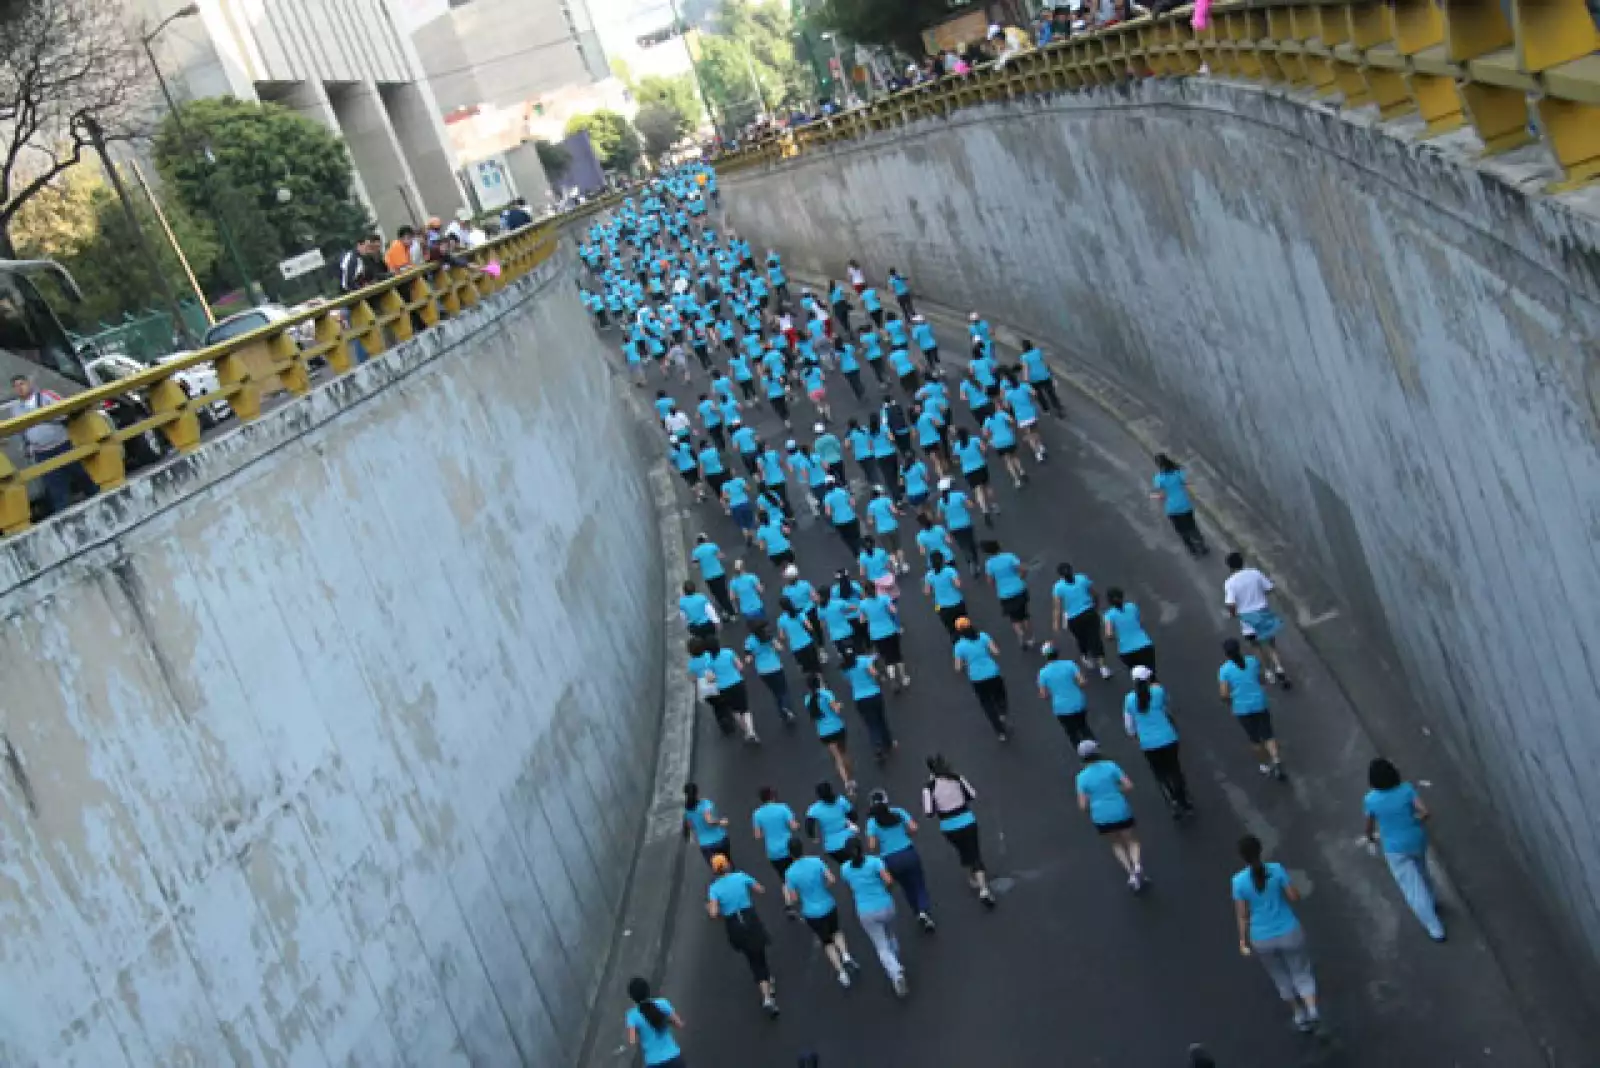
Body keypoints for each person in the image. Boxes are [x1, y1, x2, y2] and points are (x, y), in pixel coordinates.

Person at [1234, 835, 1320, 1032]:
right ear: (1260, 850)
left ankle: (1299, 1015)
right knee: (1301, 971)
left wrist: (1242, 941)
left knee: (1279, 976)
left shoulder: (1238, 882)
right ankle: (1312, 1009)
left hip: (1261, 938)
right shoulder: (1276, 870)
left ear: (1242, 857)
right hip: (1289, 930)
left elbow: (1243, 914)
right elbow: (1294, 897)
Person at [1364, 757, 1446, 941]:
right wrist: (1414, 820)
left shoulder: (1371, 800)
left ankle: (1435, 928)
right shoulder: (1406, 790)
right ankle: (1434, 900)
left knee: (1412, 888)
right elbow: (1425, 812)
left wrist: (1370, 838)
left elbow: (1369, 825)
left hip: (1394, 847)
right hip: (1416, 839)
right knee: (1423, 871)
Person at [9, 374, 97, 516]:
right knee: (54, 486)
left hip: (61, 444)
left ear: (29, 383)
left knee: (80, 475)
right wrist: (26, 447)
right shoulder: (16, 409)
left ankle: (95, 494)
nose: (20, 388)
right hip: (41, 452)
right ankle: (63, 516)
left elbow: (66, 410)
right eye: (16, 386)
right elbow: (20, 431)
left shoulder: (46, 396)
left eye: (22, 384)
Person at [705, 853, 779, 1016]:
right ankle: (767, 994)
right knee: (759, 953)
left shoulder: (714, 889)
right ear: (727, 865)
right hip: (749, 918)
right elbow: (760, 889)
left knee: (752, 958)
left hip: (734, 925)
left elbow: (713, 913)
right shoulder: (740, 876)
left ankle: (766, 983)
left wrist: (712, 908)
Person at [782, 839, 861, 988]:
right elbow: (831, 879)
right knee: (836, 931)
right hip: (828, 904)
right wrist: (824, 887)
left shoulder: (790, 873)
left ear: (790, 853)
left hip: (811, 912)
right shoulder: (816, 861)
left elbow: (793, 898)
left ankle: (842, 973)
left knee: (827, 942)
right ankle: (846, 954)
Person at [837, 837, 909, 996]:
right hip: (885, 905)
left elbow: (850, 887)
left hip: (865, 911)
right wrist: (886, 891)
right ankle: (896, 961)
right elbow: (889, 881)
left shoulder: (845, 869)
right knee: (891, 934)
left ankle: (896, 972)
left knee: (881, 946)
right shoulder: (875, 862)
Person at [922, 755, 996, 906]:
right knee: (974, 852)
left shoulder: (929, 788)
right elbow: (972, 795)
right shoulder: (957, 778)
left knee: (963, 850)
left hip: (949, 827)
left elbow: (929, 812)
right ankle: (983, 888)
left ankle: (971, 877)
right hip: (967, 820)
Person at [1124, 666, 1193, 817]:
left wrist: (1135, 737)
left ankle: (1172, 801)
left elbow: (1129, 725)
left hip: (1148, 743)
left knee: (1160, 774)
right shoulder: (1158, 691)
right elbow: (1168, 707)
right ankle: (1184, 799)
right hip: (1168, 737)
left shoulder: (1129, 699)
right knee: (1175, 769)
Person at [1075, 739, 1144, 890]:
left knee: (1116, 844)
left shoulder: (1081, 778)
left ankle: (1131, 874)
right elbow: (1128, 785)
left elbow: (1082, 806)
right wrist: (1115, 790)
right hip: (1120, 809)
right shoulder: (1111, 766)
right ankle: (1137, 865)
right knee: (1132, 840)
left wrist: (1093, 804)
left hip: (1101, 816)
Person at [866, 789, 935, 931]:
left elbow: (872, 847)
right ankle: (923, 910)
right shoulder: (897, 812)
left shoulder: (872, 822)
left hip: (890, 859)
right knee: (918, 883)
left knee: (906, 886)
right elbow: (914, 828)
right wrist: (906, 834)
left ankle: (917, 911)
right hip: (908, 852)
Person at [1219, 638, 1285, 780]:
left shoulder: (1224, 670)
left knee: (1255, 739)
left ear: (1226, 654)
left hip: (1242, 709)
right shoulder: (1251, 661)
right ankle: (1276, 760)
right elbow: (1260, 679)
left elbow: (1224, 694)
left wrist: (1231, 702)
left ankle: (1263, 765)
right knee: (1268, 734)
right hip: (1259, 703)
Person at [1224, 552, 1292, 686]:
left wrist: (1233, 614)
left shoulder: (1230, 583)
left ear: (1230, 567)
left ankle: (1268, 672)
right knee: (1271, 644)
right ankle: (1279, 667)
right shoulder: (1255, 573)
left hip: (1247, 620)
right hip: (1263, 615)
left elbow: (1230, 603)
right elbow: (1269, 588)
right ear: (1242, 562)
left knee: (1256, 647)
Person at [1051, 563, 1113, 678]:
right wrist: (1095, 607)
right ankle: (1103, 667)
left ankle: (1085, 655)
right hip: (1089, 612)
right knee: (1095, 639)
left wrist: (1056, 624)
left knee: (1082, 639)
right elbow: (1094, 594)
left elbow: (1057, 608)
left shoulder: (1058, 587)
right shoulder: (1082, 578)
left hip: (1074, 619)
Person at [953, 617, 1010, 740]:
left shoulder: (959, 646)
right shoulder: (983, 636)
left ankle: (1000, 732)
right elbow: (996, 652)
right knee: (1000, 695)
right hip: (993, 672)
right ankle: (1002, 712)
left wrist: (966, 663)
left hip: (977, 678)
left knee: (987, 704)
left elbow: (958, 668)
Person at [839, 646, 896, 764]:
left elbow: (849, 682)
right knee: (881, 719)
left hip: (859, 698)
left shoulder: (845, 668)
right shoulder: (863, 660)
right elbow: (874, 673)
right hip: (874, 694)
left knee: (871, 724)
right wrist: (881, 679)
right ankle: (888, 743)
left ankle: (877, 746)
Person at [752, 786, 801, 914]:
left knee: (784, 877)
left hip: (773, 852)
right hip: (789, 847)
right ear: (773, 796)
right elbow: (793, 826)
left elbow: (758, 835)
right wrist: (796, 825)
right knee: (796, 870)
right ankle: (798, 892)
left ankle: (789, 903)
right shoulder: (783, 808)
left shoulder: (757, 814)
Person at [804, 674, 855, 792]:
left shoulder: (807, 699)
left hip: (823, 732)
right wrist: (839, 705)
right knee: (844, 753)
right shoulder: (827, 694)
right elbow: (836, 710)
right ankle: (851, 777)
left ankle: (846, 782)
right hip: (837, 727)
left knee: (837, 757)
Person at [1151, 453, 1208, 556]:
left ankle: (1193, 551)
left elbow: (1162, 495)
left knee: (1182, 531)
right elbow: (1186, 482)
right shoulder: (1178, 473)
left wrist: (1153, 496)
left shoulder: (1158, 479)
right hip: (1184, 505)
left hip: (1172, 509)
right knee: (1192, 527)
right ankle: (1202, 547)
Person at [1038, 642, 1093, 746]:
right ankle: (1094, 747)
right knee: (1083, 726)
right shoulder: (1070, 664)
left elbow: (1044, 694)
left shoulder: (1043, 673)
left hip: (1061, 708)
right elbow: (1082, 682)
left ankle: (1081, 752)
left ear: (1045, 656)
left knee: (1072, 733)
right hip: (1078, 702)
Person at [982, 539, 1034, 648]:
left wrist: (997, 586)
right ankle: (1030, 638)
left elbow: (990, 581)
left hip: (1005, 594)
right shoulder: (1010, 557)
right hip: (1019, 589)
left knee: (1014, 618)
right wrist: (1021, 577)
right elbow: (1023, 569)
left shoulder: (989, 564)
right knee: (1024, 614)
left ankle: (1020, 633)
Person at [625, 977, 686, 1067]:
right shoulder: (662, 1003)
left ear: (632, 997)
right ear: (647, 990)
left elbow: (632, 1041)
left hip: (654, 1062)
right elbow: (679, 1024)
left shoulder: (632, 1015)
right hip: (674, 1058)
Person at [746, 622, 797, 725]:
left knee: (775, 692)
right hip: (776, 667)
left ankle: (783, 714)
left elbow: (748, 658)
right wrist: (773, 649)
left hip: (763, 671)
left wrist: (754, 656)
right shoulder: (767, 636)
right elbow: (780, 648)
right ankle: (786, 708)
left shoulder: (749, 641)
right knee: (783, 690)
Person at [1103, 587, 1156, 673]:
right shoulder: (1132, 606)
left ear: (1109, 601)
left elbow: (1109, 635)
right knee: (1152, 675)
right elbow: (1140, 621)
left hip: (1127, 651)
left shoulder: (1109, 615)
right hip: (1145, 645)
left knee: (1139, 677)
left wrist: (1117, 635)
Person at [936, 479, 983, 575]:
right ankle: (976, 563)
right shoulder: (959, 495)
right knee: (971, 543)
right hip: (966, 523)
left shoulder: (941, 502)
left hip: (953, 527)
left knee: (963, 546)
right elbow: (970, 505)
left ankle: (969, 561)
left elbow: (939, 517)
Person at [806, 781, 858, 862]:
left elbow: (809, 826)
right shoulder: (841, 800)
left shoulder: (814, 809)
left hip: (832, 847)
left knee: (845, 866)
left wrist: (813, 837)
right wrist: (848, 822)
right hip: (850, 840)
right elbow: (854, 816)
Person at [951, 428, 996, 520]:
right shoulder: (974, 440)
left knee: (978, 490)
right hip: (980, 466)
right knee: (987, 486)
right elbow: (984, 449)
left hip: (968, 470)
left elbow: (956, 459)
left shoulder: (956, 446)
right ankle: (994, 505)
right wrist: (984, 454)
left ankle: (984, 510)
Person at [682, 783, 731, 866]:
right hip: (720, 838)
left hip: (706, 845)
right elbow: (709, 820)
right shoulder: (705, 803)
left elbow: (687, 828)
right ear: (697, 792)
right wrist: (721, 822)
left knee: (718, 868)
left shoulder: (687, 812)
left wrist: (689, 838)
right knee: (728, 862)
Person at [1017, 339, 1064, 418]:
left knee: (1039, 395)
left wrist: (1026, 381)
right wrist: (1051, 374)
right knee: (1051, 393)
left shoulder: (1024, 357)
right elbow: (1046, 363)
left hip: (1034, 379)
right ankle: (1058, 407)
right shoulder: (1037, 352)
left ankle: (1046, 409)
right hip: (1044, 375)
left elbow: (1026, 370)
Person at [692, 534, 732, 616]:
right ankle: (730, 611)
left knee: (716, 594)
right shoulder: (712, 546)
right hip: (719, 573)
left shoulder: (696, 552)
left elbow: (695, 566)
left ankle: (725, 610)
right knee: (724, 593)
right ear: (705, 540)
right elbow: (720, 556)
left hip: (708, 577)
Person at [822, 477, 862, 556]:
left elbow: (828, 512)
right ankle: (863, 550)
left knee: (848, 540)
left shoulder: (827, 498)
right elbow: (852, 503)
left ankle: (857, 555)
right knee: (856, 536)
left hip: (839, 522)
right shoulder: (843, 491)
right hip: (850, 517)